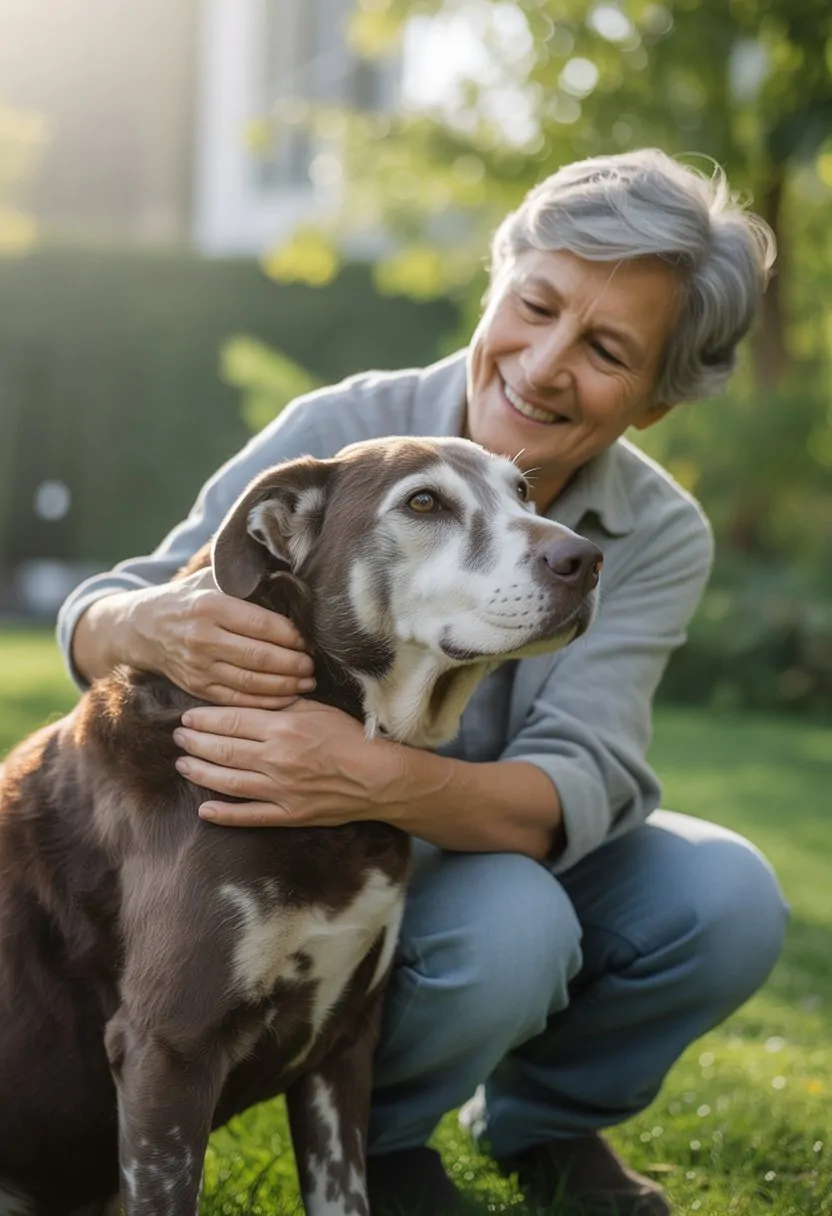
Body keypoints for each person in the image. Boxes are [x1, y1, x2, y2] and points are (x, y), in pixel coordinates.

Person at [58, 148, 788, 1216]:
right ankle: (387, 1143)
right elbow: (113, 605)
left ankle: (542, 1123)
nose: (541, 366)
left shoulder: (652, 531)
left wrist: (362, 775)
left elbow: (577, 781)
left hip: (471, 836)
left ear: (655, 399)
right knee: (512, 925)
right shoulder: (345, 433)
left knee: (720, 898)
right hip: (302, 857)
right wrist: (146, 619)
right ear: (496, 287)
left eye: (604, 349)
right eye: (533, 306)